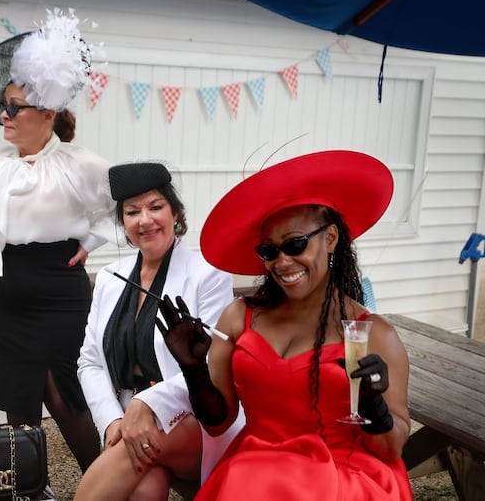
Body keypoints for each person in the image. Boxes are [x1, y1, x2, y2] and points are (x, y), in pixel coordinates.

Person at [157, 150, 413, 500]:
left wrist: (374, 407)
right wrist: (194, 371)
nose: (282, 261)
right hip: (256, 467)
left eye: (295, 244)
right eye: (269, 251)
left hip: (344, 478)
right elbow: (219, 423)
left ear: (332, 238)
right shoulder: (239, 316)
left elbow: (391, 449)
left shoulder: (374, 333)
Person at [0, 9, 114, 473]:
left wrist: (92, 242)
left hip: (60, 289)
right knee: (18, 398)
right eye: (3, 106)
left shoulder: (80, 164)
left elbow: (119, 208)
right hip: (4, 293)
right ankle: (29, 486)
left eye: (13, 108)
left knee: (67, 393)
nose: (3, 115)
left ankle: (104, 481)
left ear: (47, 114)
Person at [75, 161, 245, 501]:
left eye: (156, 207)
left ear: (176, 214)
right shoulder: (110, 277)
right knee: (147, 480)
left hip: (196, 419)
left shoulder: (208, 275)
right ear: (123, 222)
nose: (145, 220)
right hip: (126, 422)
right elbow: (90, 363)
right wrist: (112, 421)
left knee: (139, 446)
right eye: (132, 212)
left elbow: (212, 365)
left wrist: (146, 404)